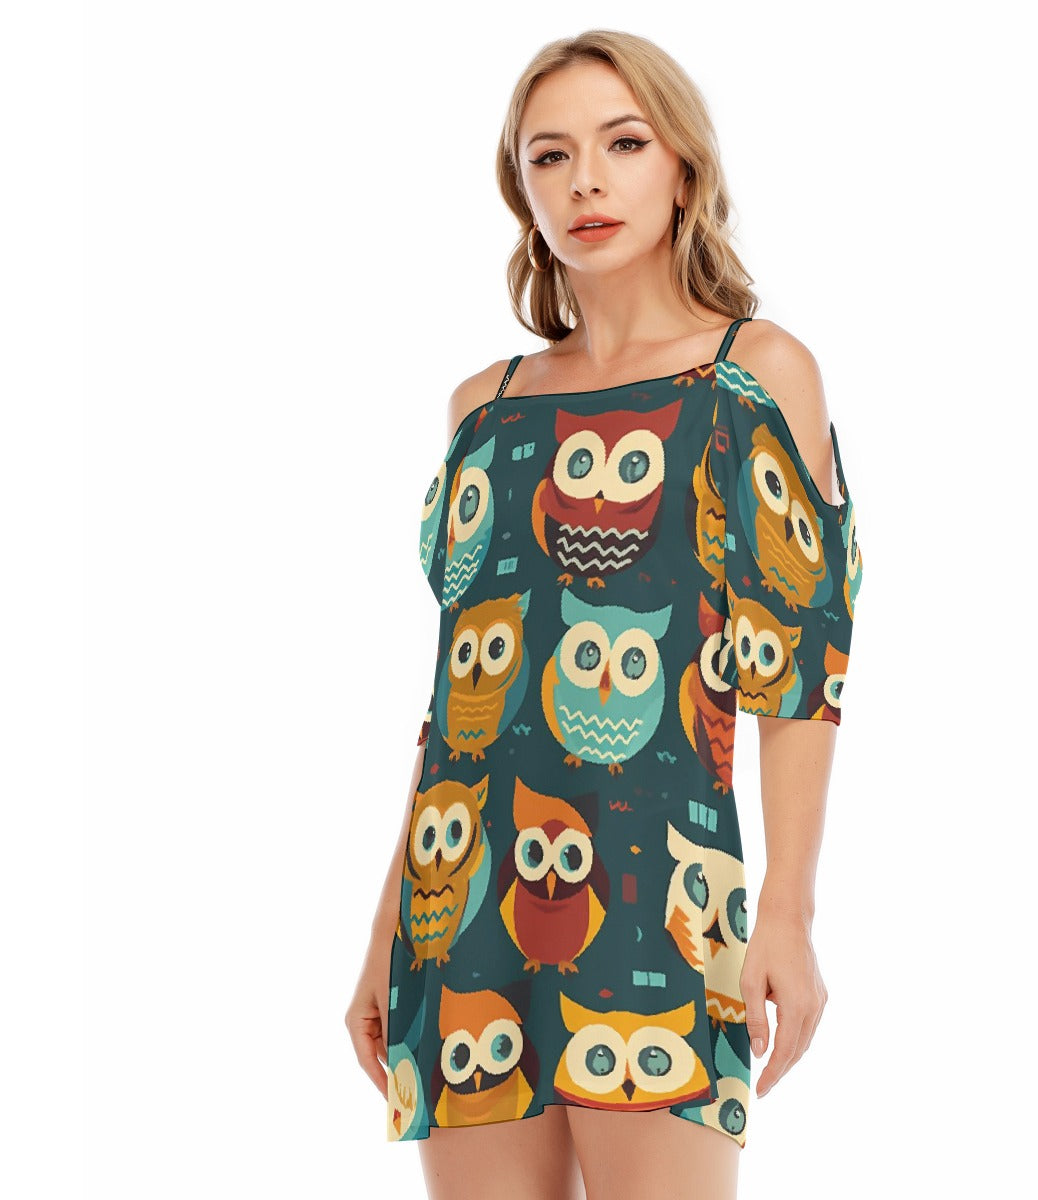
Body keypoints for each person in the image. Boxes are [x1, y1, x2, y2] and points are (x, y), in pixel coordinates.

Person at [346, 29, 864, 1200]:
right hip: (461, 908)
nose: (586, 181)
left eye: (623, 144)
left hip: (662, 905)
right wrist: (387, 930)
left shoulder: (755, 374)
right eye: (551, 156)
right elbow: (459, 706)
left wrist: (787, 911)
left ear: (682, 167)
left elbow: (800, 667)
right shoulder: (484, 408)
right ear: (521, 190)